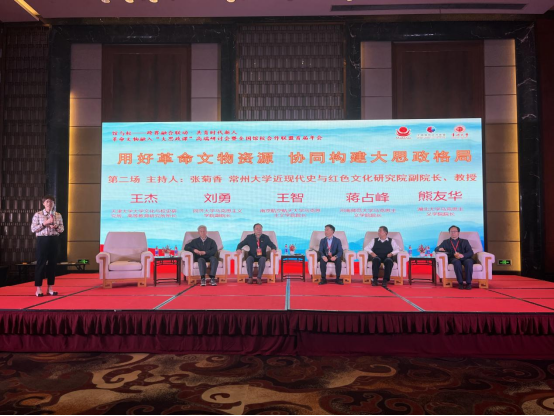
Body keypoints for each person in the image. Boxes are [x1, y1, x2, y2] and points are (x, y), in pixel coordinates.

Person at [30, 195, 65, 297]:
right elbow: (33, 229)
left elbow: (62, 229)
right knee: (41, 263)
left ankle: (50, 288)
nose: (49, 203)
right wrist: (44, 223)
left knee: (52, 264)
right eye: (47, 202)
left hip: (54, 240)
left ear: (54, 204)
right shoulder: (38, 214)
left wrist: (56, 226)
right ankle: (38, 289)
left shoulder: (58, 215)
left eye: (51, 202)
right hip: (42, 240)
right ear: (43, 203)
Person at [435, 225, 474, 290]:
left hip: (465, 258)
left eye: (455, 231)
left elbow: (470, 252)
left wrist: (463, 255)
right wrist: (439, 249)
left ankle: (469, 283)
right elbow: (436, 249)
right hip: (453, 258)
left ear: (458, 232)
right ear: (449, 232)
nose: (453, 233)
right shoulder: (445, 242)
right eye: (451, 231)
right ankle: (460, 283)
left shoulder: (465, 241)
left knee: (469, 262)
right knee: (457, 262)